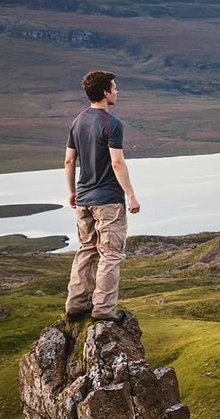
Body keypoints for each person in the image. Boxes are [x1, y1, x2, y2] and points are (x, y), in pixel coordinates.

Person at [63, 70, 141, 323]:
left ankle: (75, 306)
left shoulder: (77, 121)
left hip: (84, 199)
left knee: (86, 249)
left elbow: (69, 161)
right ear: (105, 93)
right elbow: (117, 163)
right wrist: (131, 196)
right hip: (108, 199)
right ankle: (104, 311)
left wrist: (73, 192)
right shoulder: (111, 123)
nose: (117, 92)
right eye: (115, 88)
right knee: (110, 254)